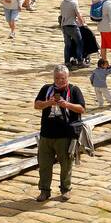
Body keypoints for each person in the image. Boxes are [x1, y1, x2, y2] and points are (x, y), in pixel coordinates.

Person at [33, 65, 86, 202]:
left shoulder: (74, 90)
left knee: (66, 164)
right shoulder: (46, 89)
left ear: (68, 77)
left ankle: (65, 189)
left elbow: (81, 109)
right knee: (44, 165)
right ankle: (44, 191)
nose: (60, 81)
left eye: (62, 78)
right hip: (46, 134)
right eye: (57, 78)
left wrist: (67, 105)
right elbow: (36, 105)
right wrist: (48, 103)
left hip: (65, 135)